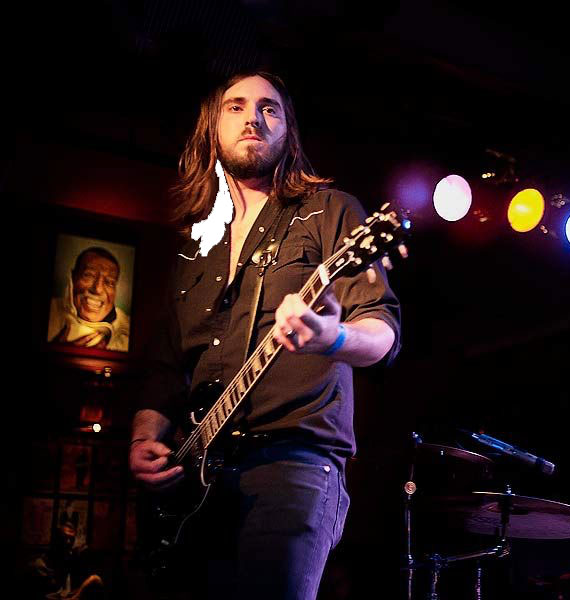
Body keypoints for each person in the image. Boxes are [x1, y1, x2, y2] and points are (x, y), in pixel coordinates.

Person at [128, 70, 401, 599]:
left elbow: (382, 332)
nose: (253, 117)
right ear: (212, 128)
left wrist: (332, 338)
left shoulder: (331, 211)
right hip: (191, 478)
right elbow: (165, 367)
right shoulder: (194, 244)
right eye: (236, 106)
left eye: (269, 108)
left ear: (288, 130)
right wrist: (144, 438)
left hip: (293, 462)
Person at [47, 246, 130, 351]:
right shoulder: (51, 311)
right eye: (89, 275)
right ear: (73, 277)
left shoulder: (127, 330)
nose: (98, 289)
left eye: (109, 282)